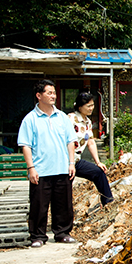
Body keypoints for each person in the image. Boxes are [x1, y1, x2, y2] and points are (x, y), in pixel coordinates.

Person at [17, 79, 78, 248]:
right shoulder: (30, 119)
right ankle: (37, 236)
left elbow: (70, 141)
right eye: (49, 93)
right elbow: (25, 145)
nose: (53, 96)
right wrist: (31, 168)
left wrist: (71, 163)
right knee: (39, 205)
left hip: (61, 168)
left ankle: (62, 233)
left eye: (54, 93)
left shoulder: (62, 117)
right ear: (39, 95)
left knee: (64, 204)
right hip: (41, 170)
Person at [68, 92, 113, 211]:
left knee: (98, 172)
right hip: (65, 161)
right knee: (64, 191)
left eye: (92, 105)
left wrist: (98, 162)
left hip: (77, 161)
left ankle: (108, 203)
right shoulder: (71, 118)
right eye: (88, 106)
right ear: (79, 106)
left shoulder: (87, 122)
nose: (91, 108)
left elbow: (91, 142)